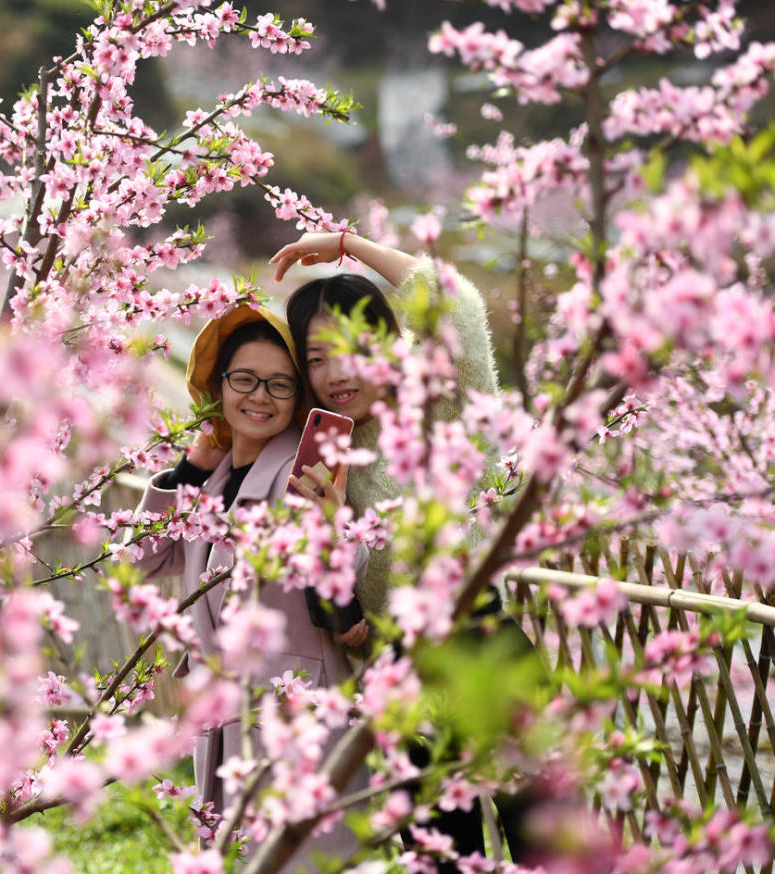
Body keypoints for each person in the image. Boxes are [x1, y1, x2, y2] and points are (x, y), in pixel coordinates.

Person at [271, 231, 538, 871]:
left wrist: (346, 244)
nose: (338, 373)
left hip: (485, 645)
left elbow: (459, 309)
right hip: (397, 675)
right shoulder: (318, 456)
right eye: (317, 358)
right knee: (442, 857)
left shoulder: (442, 412)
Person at [128, 304, 364, 867]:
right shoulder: (211, 479)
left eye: (280, 384)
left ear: (298, 397)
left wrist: (334, 525)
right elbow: (139, 562)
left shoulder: (298, 475)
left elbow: (343, 570)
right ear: (218, 388)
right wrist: (185, 473)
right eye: (244, 380)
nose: (260, 396)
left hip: (293, 723)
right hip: (227, 721)